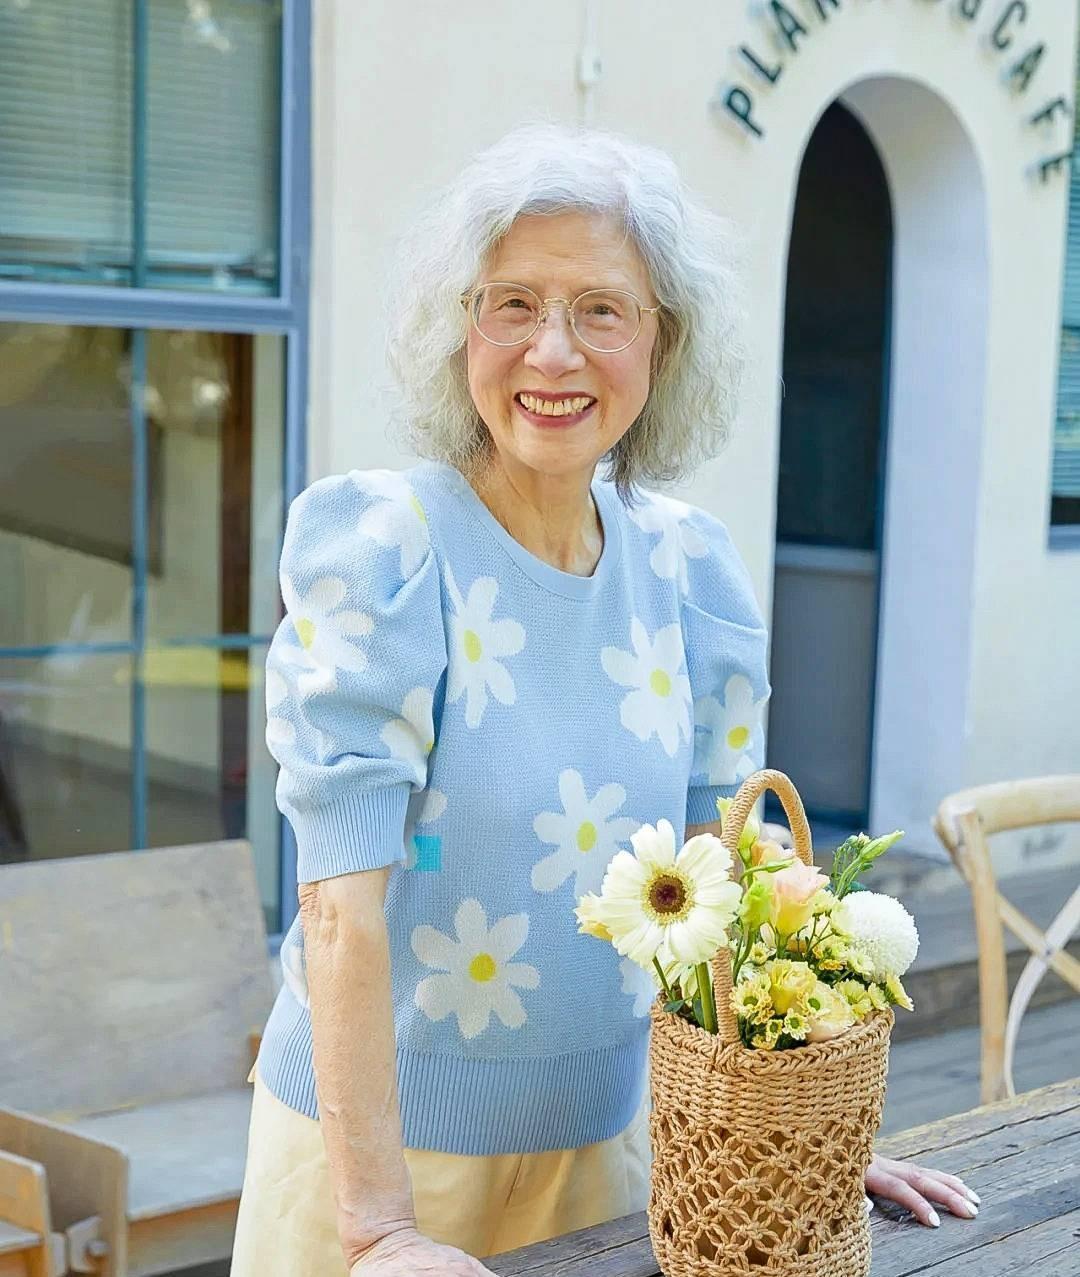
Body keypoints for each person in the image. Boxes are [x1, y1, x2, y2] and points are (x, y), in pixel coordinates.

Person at [231, 123, 980, 1277]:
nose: (553, 352)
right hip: (372, 1172)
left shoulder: (690, 568)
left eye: (600, 309)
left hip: (616, 1147)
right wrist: (379, 1228)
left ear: (662, 343)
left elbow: (726, 877)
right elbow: (339, 909)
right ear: (458, 329)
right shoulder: (388, 546)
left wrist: (795, 1122)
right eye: (513, 304)